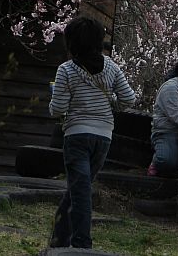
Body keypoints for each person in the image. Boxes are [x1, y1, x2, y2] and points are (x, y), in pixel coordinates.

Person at [48, 15, 136, 249]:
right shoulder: (112, 67)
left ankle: (81, 244)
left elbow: (57, 108)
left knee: (80, 191)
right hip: (104, 137)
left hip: (77, 135)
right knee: (79, 188)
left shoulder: (66, 70)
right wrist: (110, 99)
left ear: (71, 41)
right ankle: (58, 239)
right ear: (99, 39)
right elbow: (129, 99)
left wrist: (55, 103)